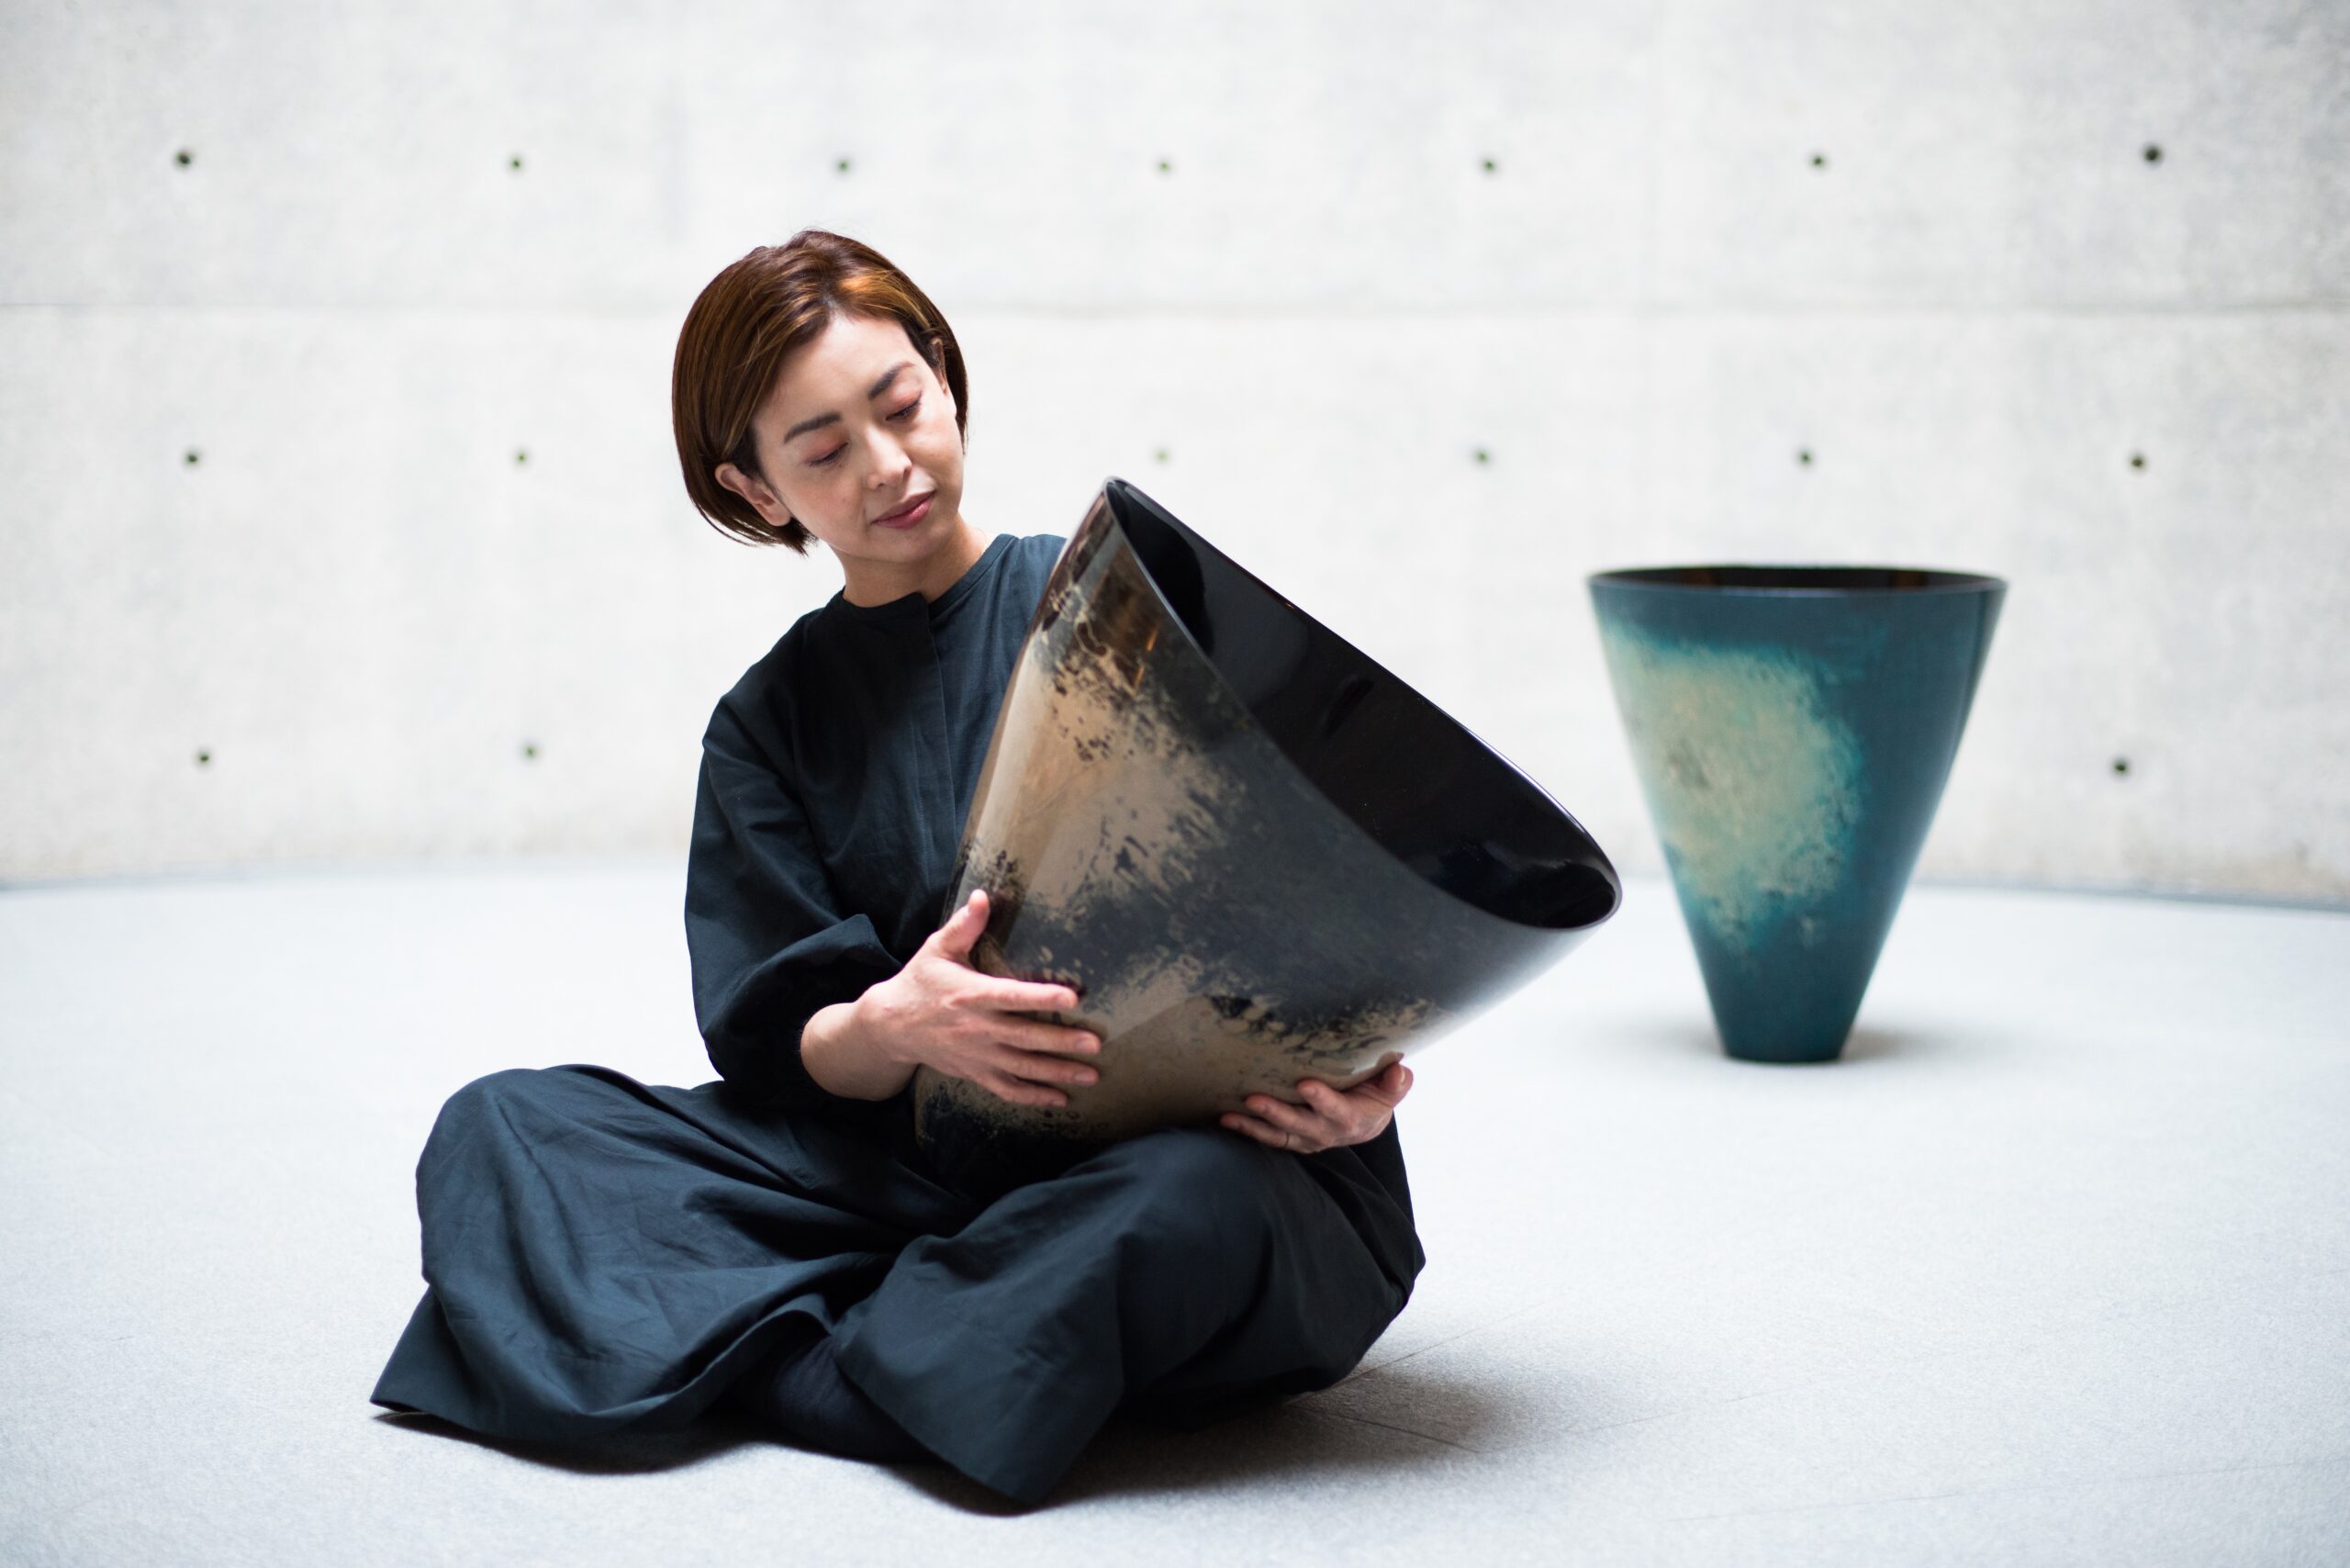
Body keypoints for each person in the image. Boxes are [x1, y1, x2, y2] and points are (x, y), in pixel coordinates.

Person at [370, 230, 1424, 1506]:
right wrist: (897, 1024)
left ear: (944, 378)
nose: (887, 464)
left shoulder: (1125, 610)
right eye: (821, 450)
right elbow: (776, 1044)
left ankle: (816, 1351)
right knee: (511, 1127)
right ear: (756, 488)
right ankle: (972, 1347)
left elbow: (1318, 899)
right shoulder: (765, 725)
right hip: (904, 1185)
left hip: (1183, 1164)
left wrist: (1357, 1092)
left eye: (902, 405)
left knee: (1197, 1205)